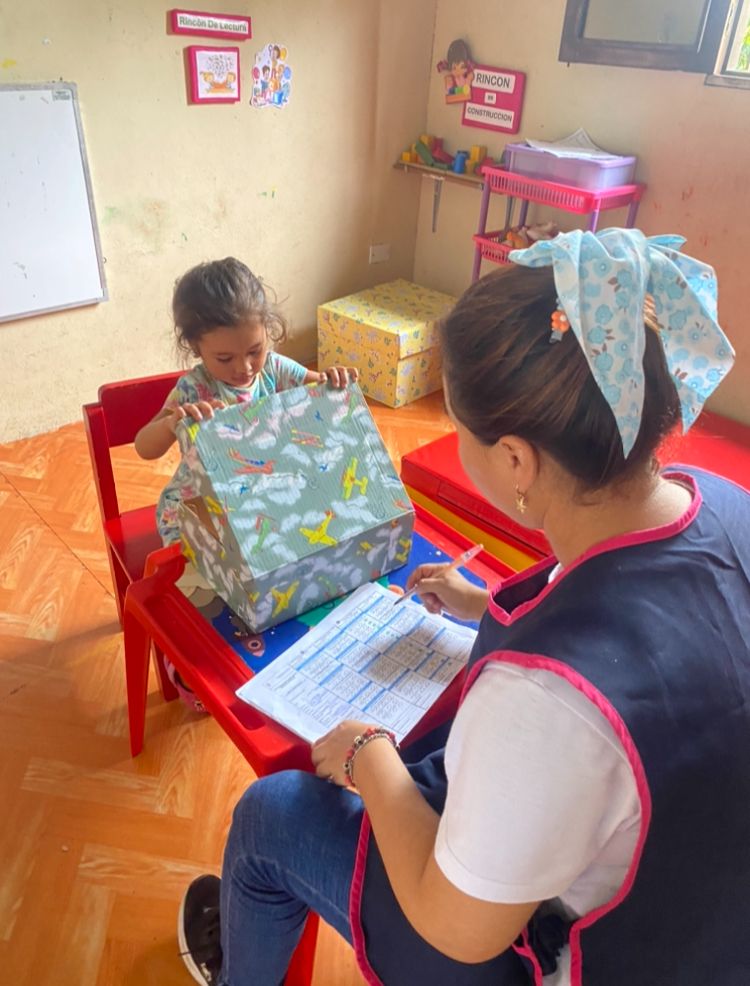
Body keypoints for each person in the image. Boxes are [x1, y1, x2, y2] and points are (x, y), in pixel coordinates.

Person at [176, 230, 750, 986]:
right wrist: (485, 603)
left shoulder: (544, 699)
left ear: (515, 460)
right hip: (707, 904)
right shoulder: (726, 504)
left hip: (563, 953)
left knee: (271, 814)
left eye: (458, 428)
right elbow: (630, 607)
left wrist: (367, 755)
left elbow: (457, 930)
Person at [135, 257, 356, 706]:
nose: (245, 368)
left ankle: (275, 649)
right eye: (225, 358)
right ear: (195, 347)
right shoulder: (194, 388)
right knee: (205, 584)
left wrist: (331, 379)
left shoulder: (274, 368)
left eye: (254, 349)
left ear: (267, 332)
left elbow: (316, 389)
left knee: (294, 557)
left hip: (259, 500)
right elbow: (144, 446)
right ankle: (187, 662)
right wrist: (174, 420)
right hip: (196, 506)